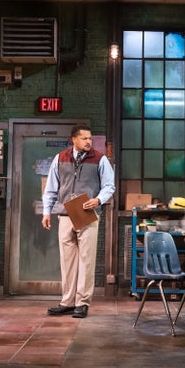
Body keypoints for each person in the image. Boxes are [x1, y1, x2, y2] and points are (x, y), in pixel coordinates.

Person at [42, 125, 116, 319]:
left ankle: (82, 302)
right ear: (73, 139)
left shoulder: (100, 159)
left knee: (86, 259)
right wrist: (47, 212)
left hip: (87, 214)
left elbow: (109, 186)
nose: (88, 142)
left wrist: (99, 199)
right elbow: (51, 187)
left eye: (90, 138)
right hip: (65, 214)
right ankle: (67, 301)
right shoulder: (60, 158)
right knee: (67, 261)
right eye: (84, 138)